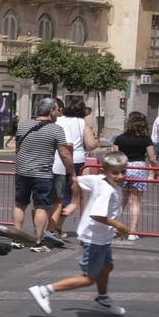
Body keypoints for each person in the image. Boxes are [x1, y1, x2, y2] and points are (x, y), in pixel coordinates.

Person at [29, 152, 131, 317]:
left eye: (123, 171)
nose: (120, 176)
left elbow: (77, 180)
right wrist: (120, 225)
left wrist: (75, 201)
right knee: (89, 278)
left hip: (101, 237)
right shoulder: (108, 191)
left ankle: (103, 300)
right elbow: (97, 215)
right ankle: (44, 290)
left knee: (106, 267)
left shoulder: (100, 180)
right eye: (115, 172)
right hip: (94, 238)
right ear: (105, 171)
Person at [11, 98, 74, 245]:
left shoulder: (24, 125)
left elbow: (17, 149)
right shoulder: (56, 129)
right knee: (41, 207)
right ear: (51, 111)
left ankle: (16, 238)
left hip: (22, 171)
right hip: (42, 174)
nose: (59, 113)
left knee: (20, 204)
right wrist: (73, 173)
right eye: (58, 110)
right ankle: (38, 241)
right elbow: (64, 154)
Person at [49, 98, 96, 241]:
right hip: (76, 161)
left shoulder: (58, 121)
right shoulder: (82, 123)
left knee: (55, 194)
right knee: (69, 195)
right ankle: (57, 226)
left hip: (56, 160)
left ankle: (50, 224)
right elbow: (91, 145)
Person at [111, 111, 158, 240]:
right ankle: (132, 231)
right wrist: (156, 171)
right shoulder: (146, 139)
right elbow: (152, 158)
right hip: (138, 168)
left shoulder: (119, 138)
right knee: (135, 203)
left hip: (124, 168)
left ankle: (114, 228)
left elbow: (116, 156)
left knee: (121, 202)